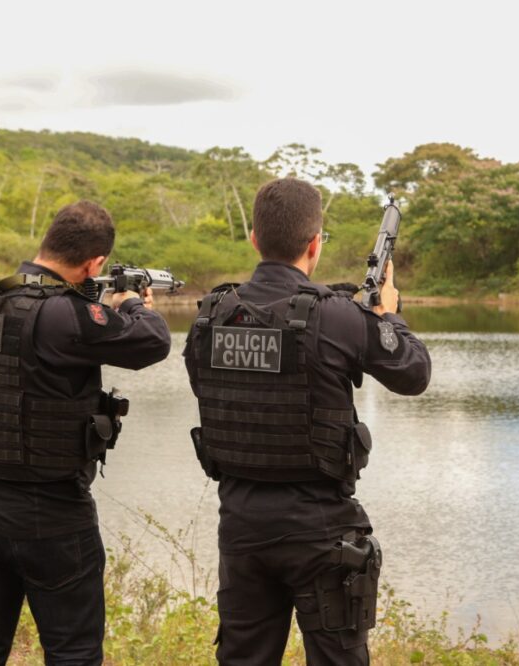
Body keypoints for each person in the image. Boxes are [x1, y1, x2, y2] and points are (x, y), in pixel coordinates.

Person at [184, 177, 431, 665]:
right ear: (316, 243)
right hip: (320, 527)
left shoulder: (209, 317)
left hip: (241, 522)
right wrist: (388, 315)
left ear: (253, 238)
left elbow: (208, 391)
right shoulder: (337, 317)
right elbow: (414, 373)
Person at [0, 200, 171, 665]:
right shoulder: (64, 313)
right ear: (94, 263)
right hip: (49, 516)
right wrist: (134, 302)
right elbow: (152, 342)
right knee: (73, 652)